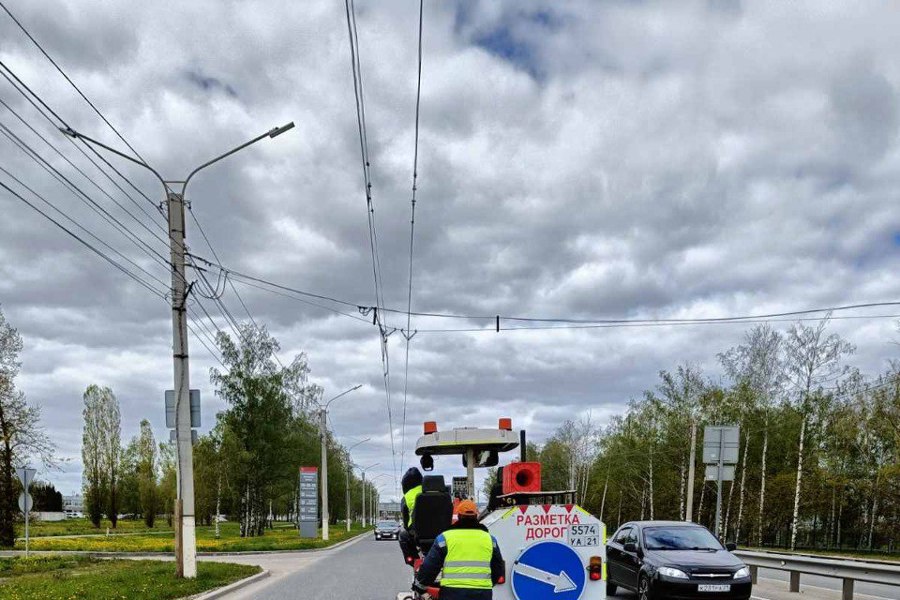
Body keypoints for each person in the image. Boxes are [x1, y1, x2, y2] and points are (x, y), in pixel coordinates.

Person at [413, 499, 505, 600]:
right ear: (476, 516)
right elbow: (498, 568)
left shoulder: (445, 538)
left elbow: (430, 567)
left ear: (459, 516)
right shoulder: (490, 539)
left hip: (452, 593)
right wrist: (487, 585)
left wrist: (420, 586)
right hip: (481, 593)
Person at [399, 466, 424, 565]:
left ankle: (415, 563)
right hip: (442, 534)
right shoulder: (439, 492)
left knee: (403, 536)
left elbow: (405, 522)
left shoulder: (406, 497)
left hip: (418, 535)